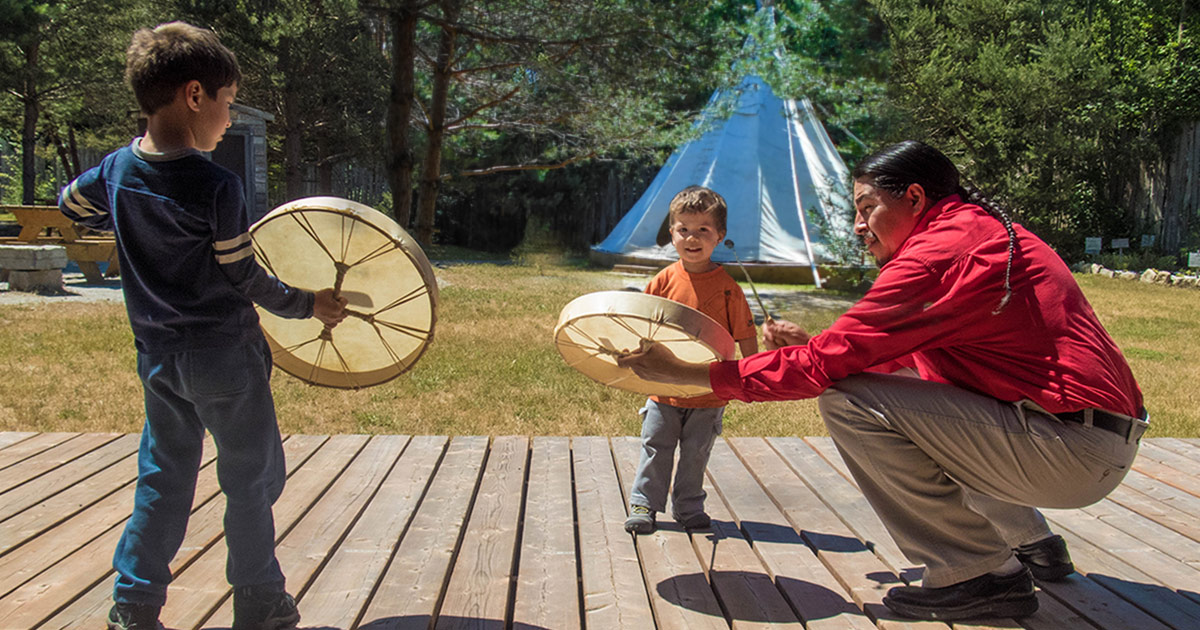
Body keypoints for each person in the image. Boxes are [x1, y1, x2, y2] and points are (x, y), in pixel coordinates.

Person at [618, 141, 1147, 621]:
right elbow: (892, 362)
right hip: (1085, 438)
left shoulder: (940, 254)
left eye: (867, 206)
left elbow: (826, 369)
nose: (856, 224)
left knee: (848, 401)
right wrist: (813, 344)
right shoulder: (971, 232)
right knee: (916, 410)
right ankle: (1031, 543)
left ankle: (977, 573)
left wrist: (694, 374)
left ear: (914, 198)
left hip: (1070, 450)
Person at [58, 22, 346, 630]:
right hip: (225, 360)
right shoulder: (216, 185)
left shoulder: (116, 169)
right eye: (227, 100)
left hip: (160, 360)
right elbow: (244, 278)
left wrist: (129, 216)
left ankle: (134, 606)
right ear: (194, 95)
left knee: (163, 477)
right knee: (252, 476)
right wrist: (306, 303)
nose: (228, 115)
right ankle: (259, 600)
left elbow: (69, 205)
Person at [623, 186, 759, 535]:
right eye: (683, 229)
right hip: (663, 389)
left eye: (703, 230)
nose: (692, 238)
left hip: (709, 389)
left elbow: (745, 333)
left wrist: (751, 374)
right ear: (672, 233)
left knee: (696, 452)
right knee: (656, 446)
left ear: (720, 237)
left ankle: (688, 507)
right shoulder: (663, 281)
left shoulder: (730, 288)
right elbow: (640, 325)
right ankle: (644, 503)